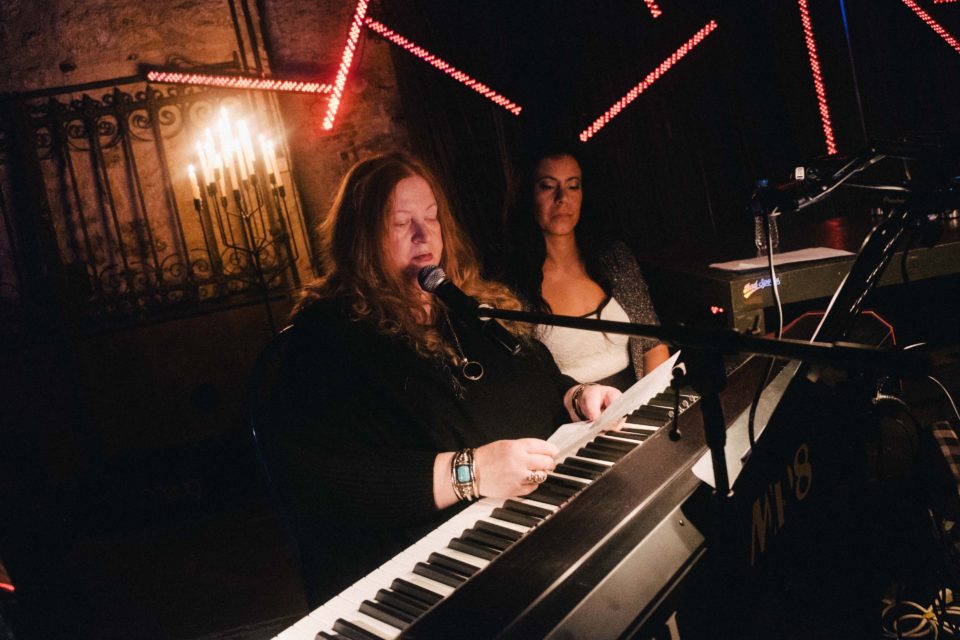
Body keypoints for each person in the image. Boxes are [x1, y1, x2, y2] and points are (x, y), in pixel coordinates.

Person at [265, 152, 621, 604]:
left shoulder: (465, 304)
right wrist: (473, 471)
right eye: (401, 223)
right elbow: (327, 476)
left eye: (432, 217)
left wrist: (577, 396)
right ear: (362, 238)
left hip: (537, 527)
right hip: (433, 568)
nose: (424, 234)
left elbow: (540, 378)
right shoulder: (327, 336)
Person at [504, 146, 671, 390]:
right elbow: (522, 381)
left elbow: (652, 345)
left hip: (638, 402)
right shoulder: (512, 285)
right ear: (528, 195)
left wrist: (652, 402)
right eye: (547, 186)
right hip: (565, 411)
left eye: (573, 186)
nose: (562, 198)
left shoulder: (615, 259)